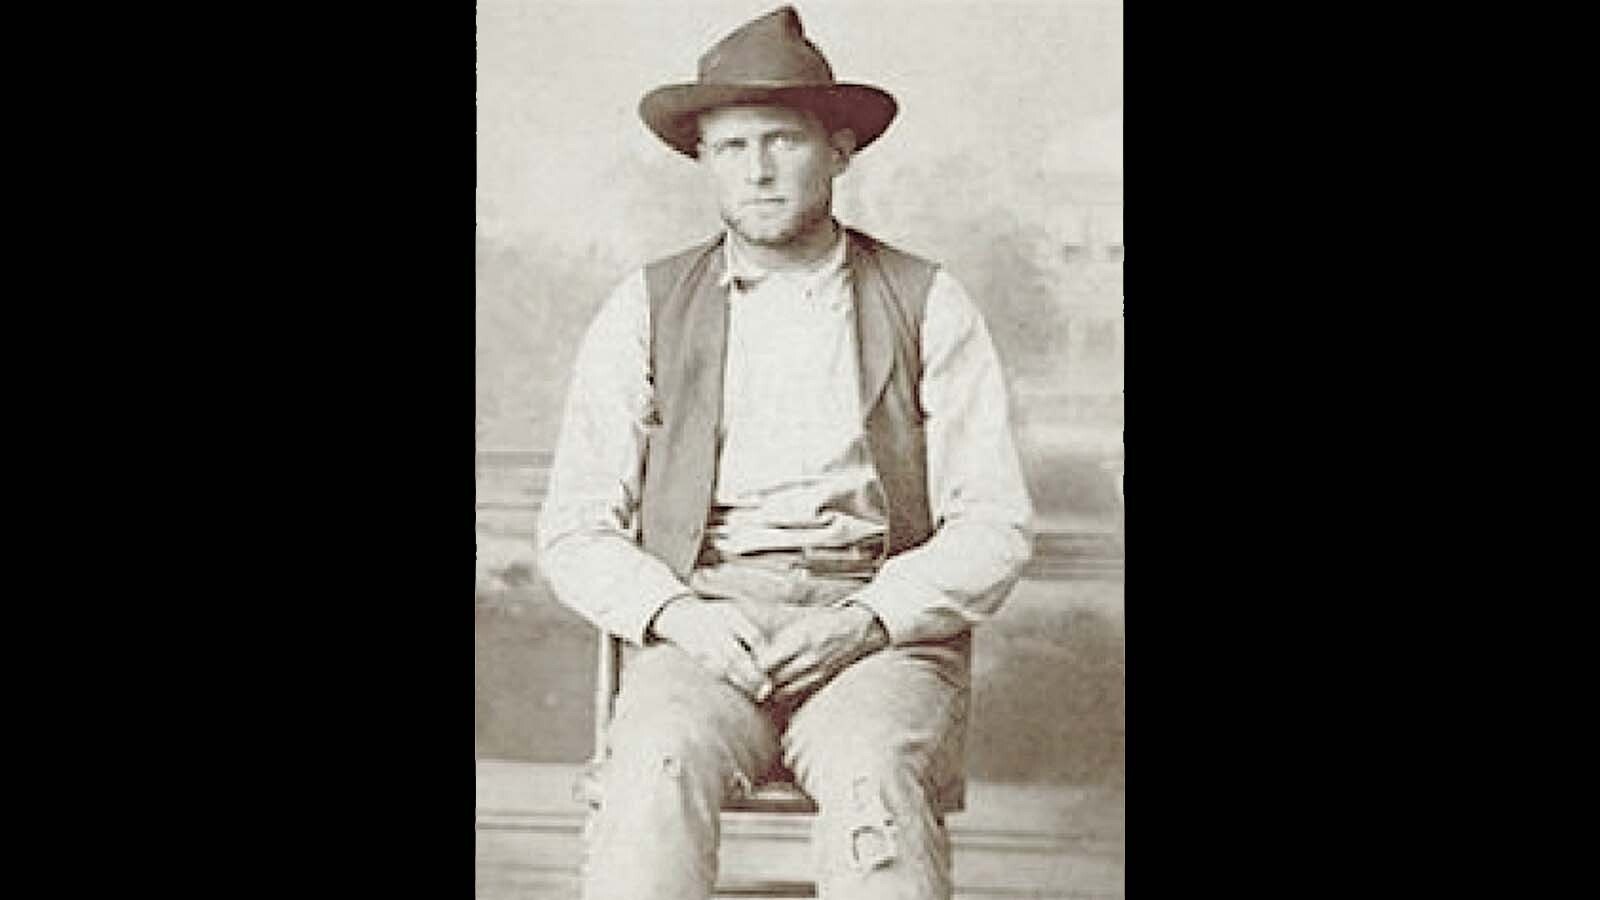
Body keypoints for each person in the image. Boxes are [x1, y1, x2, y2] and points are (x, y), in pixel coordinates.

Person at [535, 6, 1033, 898]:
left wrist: (866, 619)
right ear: (704, 160)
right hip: (707, 623)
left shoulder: (927, 301)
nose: (757, 169)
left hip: (873, 631)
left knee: (875, 783)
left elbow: (993, 524)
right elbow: (575, 528)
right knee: (652, 766)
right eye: (732, 147)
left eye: (783, 141)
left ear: (839, 151)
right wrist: (679, 614)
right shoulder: (646, 307)